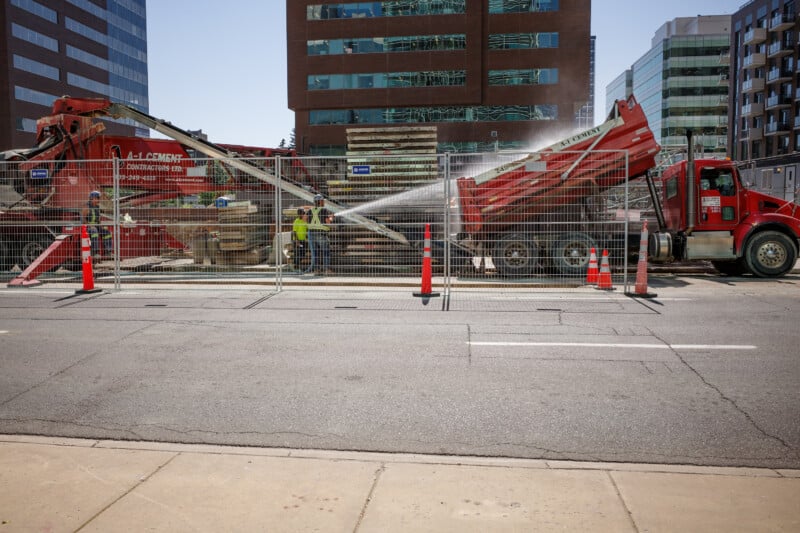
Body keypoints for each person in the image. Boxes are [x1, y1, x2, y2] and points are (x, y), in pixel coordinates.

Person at [81, 190, 113, 260]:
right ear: (93, 198)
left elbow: (98, 219)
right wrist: (89, 225)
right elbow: (83, 219)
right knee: (94, 232)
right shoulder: (87, 207)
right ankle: (95, 252)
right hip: (88, 227)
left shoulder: (97, 207)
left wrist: (101, 226)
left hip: (96, 226)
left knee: (107, 232)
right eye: (98, 198)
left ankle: (108, 252)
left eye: (99, 198)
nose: (99, 199)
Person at [307, 194, 333, 274]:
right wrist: (331, 218)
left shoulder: (310, 210)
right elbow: (328, 221)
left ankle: (316, 270)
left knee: (315, 253)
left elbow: (306, 220)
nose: (324, 202)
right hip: (321, 234)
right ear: (320, 201)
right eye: (323, 201)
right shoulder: (323, 210)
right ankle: (326, 270)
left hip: (311, 233)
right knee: (325, 252)